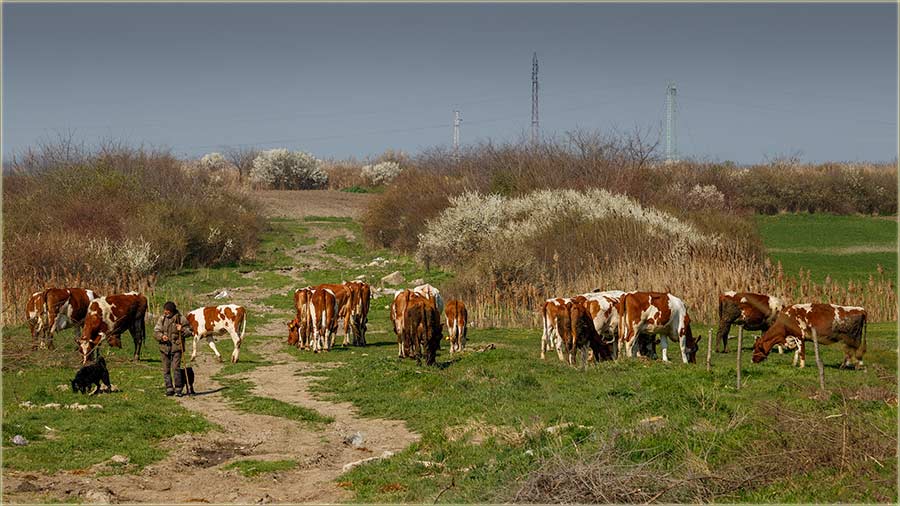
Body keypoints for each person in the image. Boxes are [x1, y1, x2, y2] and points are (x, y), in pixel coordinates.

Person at [154, 301, 193, 397]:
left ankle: (178, 389)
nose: (165, 313)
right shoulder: (162, 319)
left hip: (177, 348)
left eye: (167, 312)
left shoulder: (181, 319)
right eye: (165, 311)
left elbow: (190, 332)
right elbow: (156, 331)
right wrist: (161, 336)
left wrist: (182, 329)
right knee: (166, 369)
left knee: (176, 368)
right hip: (164, 348)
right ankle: (169, 388)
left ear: (172, 311)